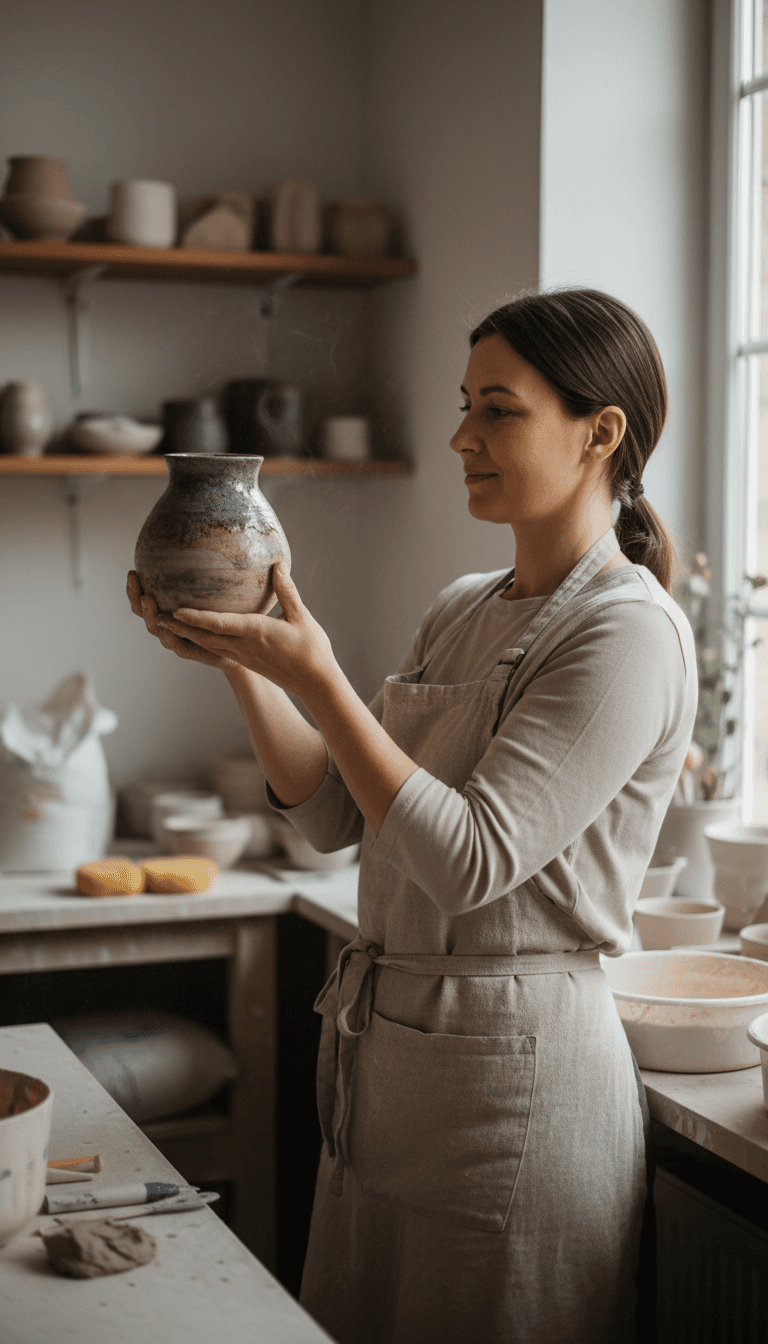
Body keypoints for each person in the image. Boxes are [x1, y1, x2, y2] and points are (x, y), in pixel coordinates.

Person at [127, 287, 697, 1344]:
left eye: (498, 410)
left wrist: (324, 673)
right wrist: (245, 659)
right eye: (464, 405)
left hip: (517, 1095)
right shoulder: (463, 606)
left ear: (600, 433)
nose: (460, 437)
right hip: (394, 1080)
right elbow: (337, 814)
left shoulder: (629, 635)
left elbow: (472, 860)